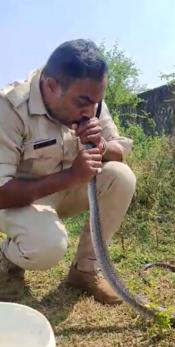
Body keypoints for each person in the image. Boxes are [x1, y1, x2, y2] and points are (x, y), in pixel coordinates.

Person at [0, 39, 136, 304]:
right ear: (51, 86)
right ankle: (7, 259)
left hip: (64, 193)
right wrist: (71, 177)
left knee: (121, 176)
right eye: (83, 102)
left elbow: (119, 151)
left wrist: (102, 144)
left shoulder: (92, 102)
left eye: (96, 102)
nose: (90, 111)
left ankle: (84, 270)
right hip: (18, 201)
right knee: (47, 246)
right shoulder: (9, 109)